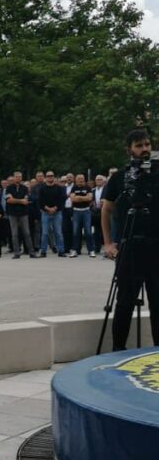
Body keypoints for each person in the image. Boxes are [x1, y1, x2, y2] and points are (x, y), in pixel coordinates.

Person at [101, 128, 159, 351]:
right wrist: (108, 243)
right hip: (130, 247)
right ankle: (117, 350)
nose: (144, 149)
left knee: (158, 304)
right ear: (129, 150)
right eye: (139, 146)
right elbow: (106, 210)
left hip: (155, 246)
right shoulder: (119, 177)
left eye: (147, 144)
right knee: (124, 303)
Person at [5, 171, 37, 259]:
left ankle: (32, 252)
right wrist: (20, 201)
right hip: (12, 213)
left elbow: (25, 201)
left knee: (27, 233)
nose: (18, 178)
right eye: (16, 177)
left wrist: (16, 200)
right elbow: (9, 200)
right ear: (13, 178)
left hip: (23, 213)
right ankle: (17, 253)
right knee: (14, 234)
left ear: (21, 178)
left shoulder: (25, 188)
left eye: (19, 177)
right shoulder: (9, 188)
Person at [37, 171, 66, 257]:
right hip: (45, 213)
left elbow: (62, 200)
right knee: (45, 233)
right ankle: (43, 251)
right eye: (48, 176)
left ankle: (61, 251)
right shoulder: (42, 189)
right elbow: (40, 201)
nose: (50, 177)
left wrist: (55, 208)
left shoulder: (59, 188)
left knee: (58, 233)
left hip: (57, 213)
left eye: (51, 176)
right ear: (46, 177)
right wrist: (47, 208)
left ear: (54, 177)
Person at [70, 173, 95, 257]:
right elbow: (73, 199)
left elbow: (90, 198)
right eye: (79, 178)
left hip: (86, 211)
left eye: (82, 178)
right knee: (75, 232)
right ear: (76, 179)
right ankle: (75, 250)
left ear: (84, 179)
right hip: (76, 211)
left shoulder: (88, 188)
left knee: (88, 232)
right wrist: (84, 198)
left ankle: (91, 250)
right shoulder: (74, 188)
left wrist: (79, 197)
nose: (80, 180)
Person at [92, 174, 107, 254]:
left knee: (104, 230)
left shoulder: (106, 189)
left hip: (104, 211)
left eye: (100, 179)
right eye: (97, 179)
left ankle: (106, 247)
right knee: (96, 230)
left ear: (104, 181)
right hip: (95, 212)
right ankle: (97, 247)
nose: (98, 181)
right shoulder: (93, 190)